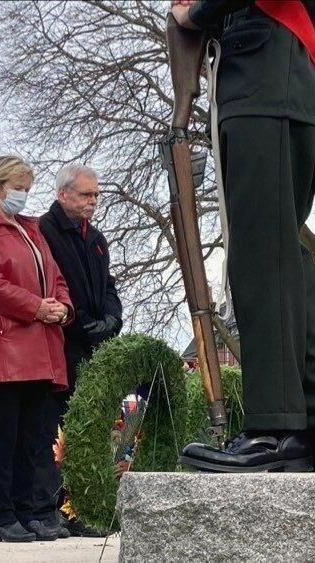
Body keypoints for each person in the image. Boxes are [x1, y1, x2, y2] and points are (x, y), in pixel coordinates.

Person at [171, 1, 315, 471]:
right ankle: (301, 421)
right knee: (290, 259)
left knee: (263, 259)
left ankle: (277, 428)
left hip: (266, 76)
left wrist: (197, 14)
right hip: (286, 74)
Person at [0, 155, 73, 543]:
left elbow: (55, 276)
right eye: (18, 188)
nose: (23, 195)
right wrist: (35, 306)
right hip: (5, 345)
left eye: (27, 188)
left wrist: (62, 306)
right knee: (4, 437)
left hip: (41, 344)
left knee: (34, 437)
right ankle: (2, 514)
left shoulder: (33, 230)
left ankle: (30, 512)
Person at [38, 163, 122, 536]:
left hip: (94, 343)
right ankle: (51, 506)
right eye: (87, 194)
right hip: (61, 343)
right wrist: (80, 320)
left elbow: (107, 283)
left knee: (89, 429)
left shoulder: (97, 237)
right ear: (63, 194)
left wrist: (112, 319)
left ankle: (84, 507)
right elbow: (54, 284)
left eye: (96, 195)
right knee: (56, 430)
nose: (93, 201)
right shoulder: (45, 231)